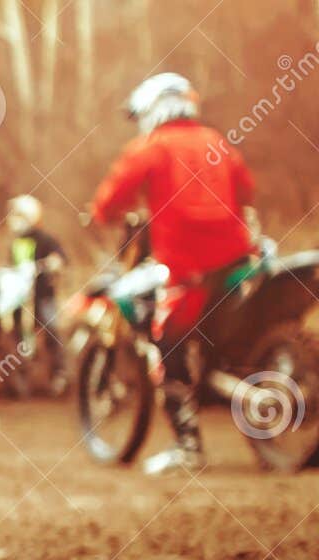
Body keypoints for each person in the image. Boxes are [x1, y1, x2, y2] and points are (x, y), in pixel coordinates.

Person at [91, 72, 257, 474]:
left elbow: (111, 200)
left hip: (188, 266)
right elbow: (247, 189)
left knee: (167, 341)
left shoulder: (151, 147)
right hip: (237, 258)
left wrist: (101, 215)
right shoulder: (217, 140)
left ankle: (188, 446)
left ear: (152, 107)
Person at [0, 195, 65, 385]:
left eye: (19, 215)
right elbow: (13, 264)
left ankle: (60, 371)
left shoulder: (45, 239)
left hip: (42, 293)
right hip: (20, 293)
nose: (14, 220)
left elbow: (59, 258)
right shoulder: (16, 241)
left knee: (50, 327)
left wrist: (52, 263)